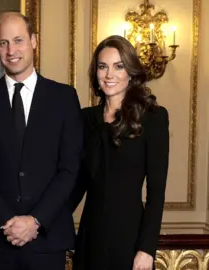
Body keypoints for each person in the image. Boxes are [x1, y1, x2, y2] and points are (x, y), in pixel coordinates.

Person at [0, 12, 83, 270]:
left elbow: (70, 168)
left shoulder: (64, 98)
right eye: (4, 43)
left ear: (34, 41)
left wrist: (35, 221)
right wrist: (7, 222)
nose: (11, 50)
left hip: (47, 240)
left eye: (18, 40)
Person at [70, 35, 169, 270]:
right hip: (90, 238)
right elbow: (76, 185)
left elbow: (156, 193)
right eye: (102, 67)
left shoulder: (153, 117)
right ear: (95, 72)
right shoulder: (85, 119)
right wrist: (40, 222)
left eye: (118, 66)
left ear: (131, 71)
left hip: (130, 241)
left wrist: (146, 249)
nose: (109, 75)